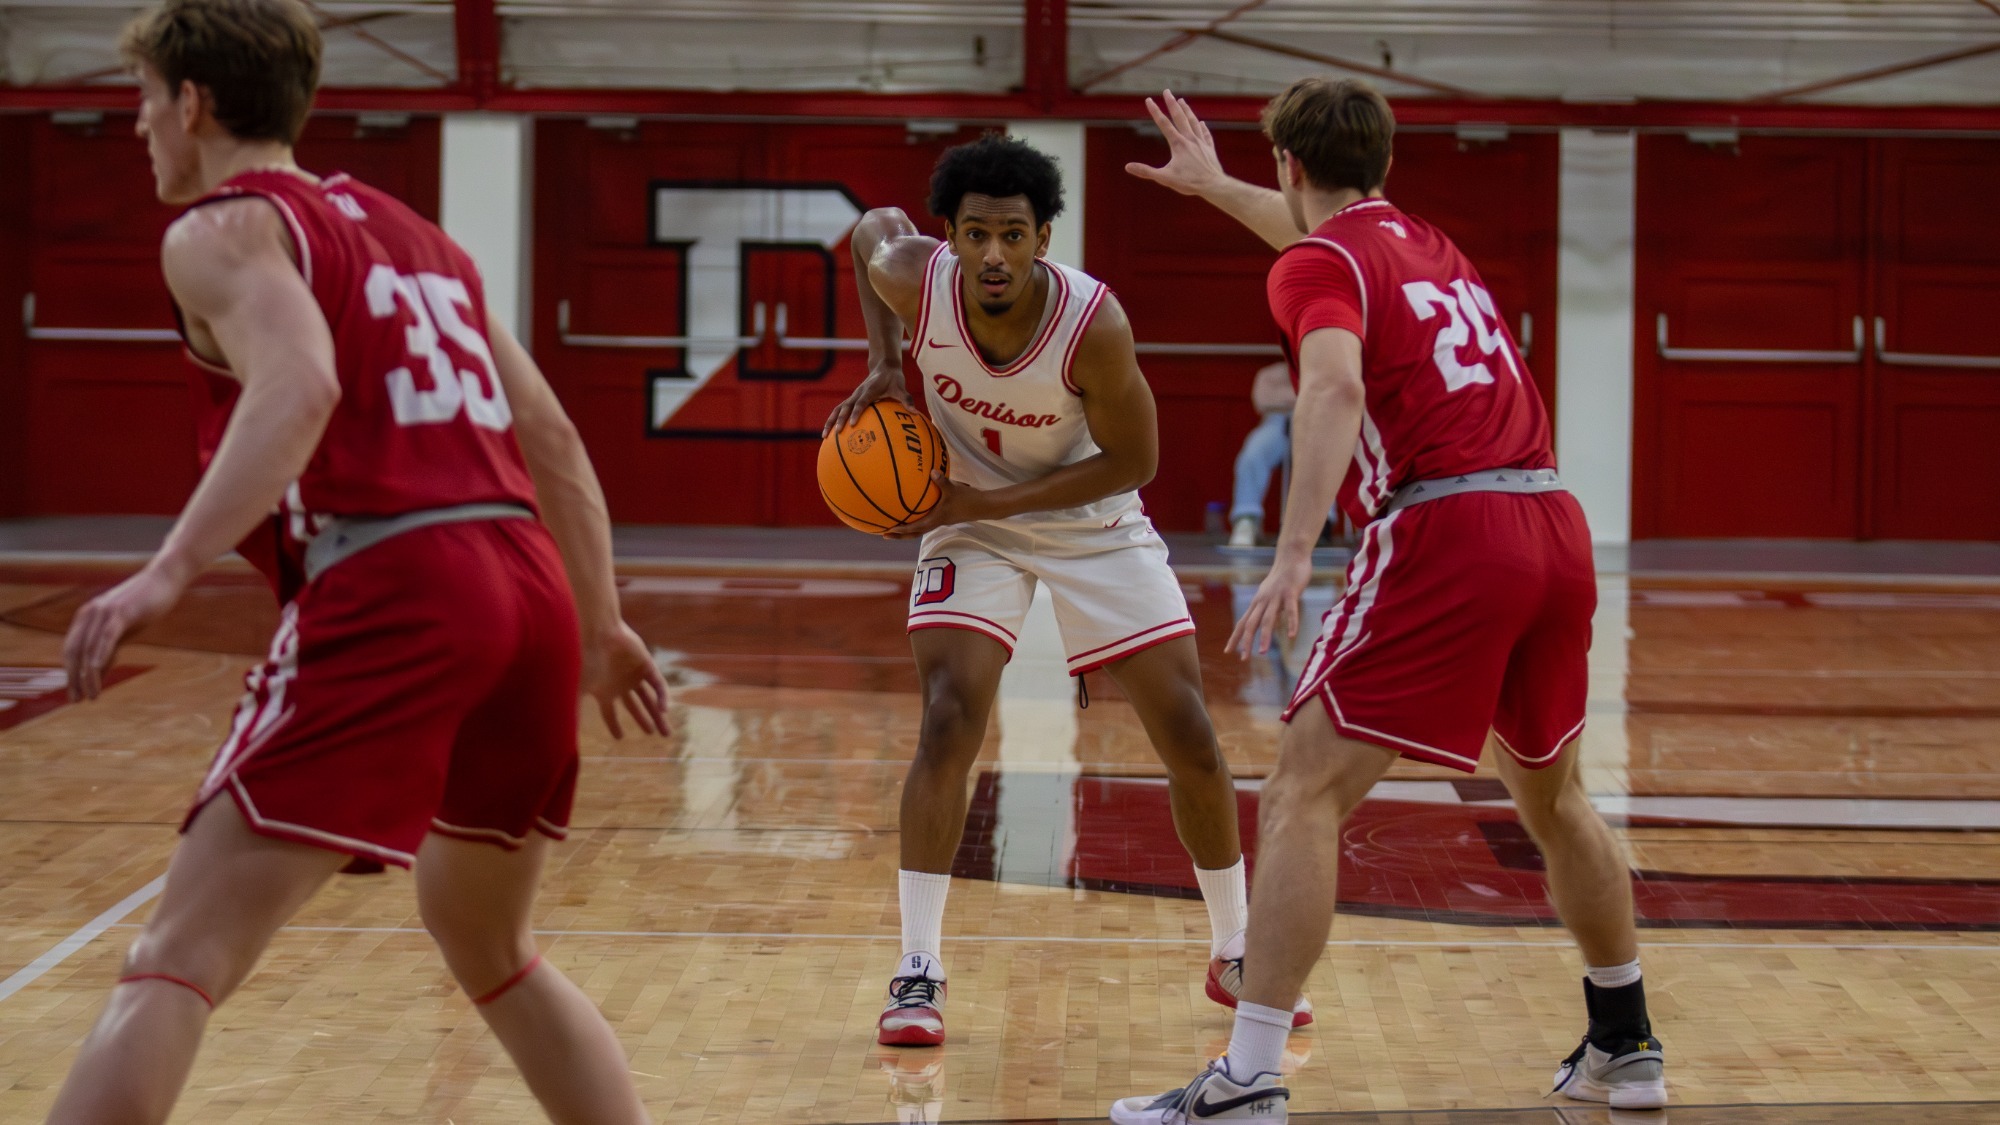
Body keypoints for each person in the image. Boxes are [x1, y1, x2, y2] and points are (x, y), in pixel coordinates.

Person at [48, 2, 667, 1122]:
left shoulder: (220, 231)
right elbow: (555, 443)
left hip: (402, 582)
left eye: (142, 100)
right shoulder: (421, 237)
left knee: (177, 955)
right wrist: (606, 622)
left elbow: (301, 383)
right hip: (529, 591)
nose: (137, 127)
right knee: (491, 942)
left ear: (192, 103)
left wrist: (165, 572)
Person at [1109, 83, 1665, 1123]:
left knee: (1300, 794)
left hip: (1447, 530)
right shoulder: (1420, 244)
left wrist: (1285, 556)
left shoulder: (1318, 263)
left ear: (1287, 163)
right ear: (1383, 165)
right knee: (1552, 800)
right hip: (1551, 522)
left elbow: (1330, 386)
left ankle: (1246, 1079)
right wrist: (1214, 186)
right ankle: (1625, 1045)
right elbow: (1313, 236)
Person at [824, 133, 1307, 1047]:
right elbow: (869, 229)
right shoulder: (911, 275)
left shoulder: (1095, 324)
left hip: (1093, 516)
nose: (994, 254)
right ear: (952, 238)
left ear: (1044, 237)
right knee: (947, 714)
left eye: (1013, 234)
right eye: (975, 234)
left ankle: (1235, 947)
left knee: (1192, 737)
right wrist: (887, 359)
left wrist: (986, 497)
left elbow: (1137, 459)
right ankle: (918, 966)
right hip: (968, 516)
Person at [1227, 362, 1297, 547]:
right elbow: (1262, 400)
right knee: (1252, 454)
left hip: (1313, 423)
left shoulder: (1324, 368)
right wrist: (1300, 396)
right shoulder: (1269, 373)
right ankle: (1246, 519)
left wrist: (1284, 398)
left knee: (1323, 457)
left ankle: (1321, 524)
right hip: (1275, 422)